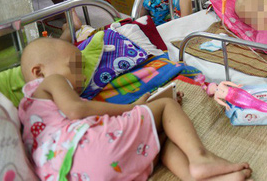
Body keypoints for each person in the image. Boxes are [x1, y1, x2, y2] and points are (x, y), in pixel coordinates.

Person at [19, 38, 252, 180]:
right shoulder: (51, 82)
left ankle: (194, 176)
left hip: (74, 173)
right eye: (76, 67)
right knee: (166, 105)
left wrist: (139, 109)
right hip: (89, 150)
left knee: (156, 137)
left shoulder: (25, 108)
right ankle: (200, 158)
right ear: (38, 72)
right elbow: (76, 110)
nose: (83, 77)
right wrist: (133, 107)